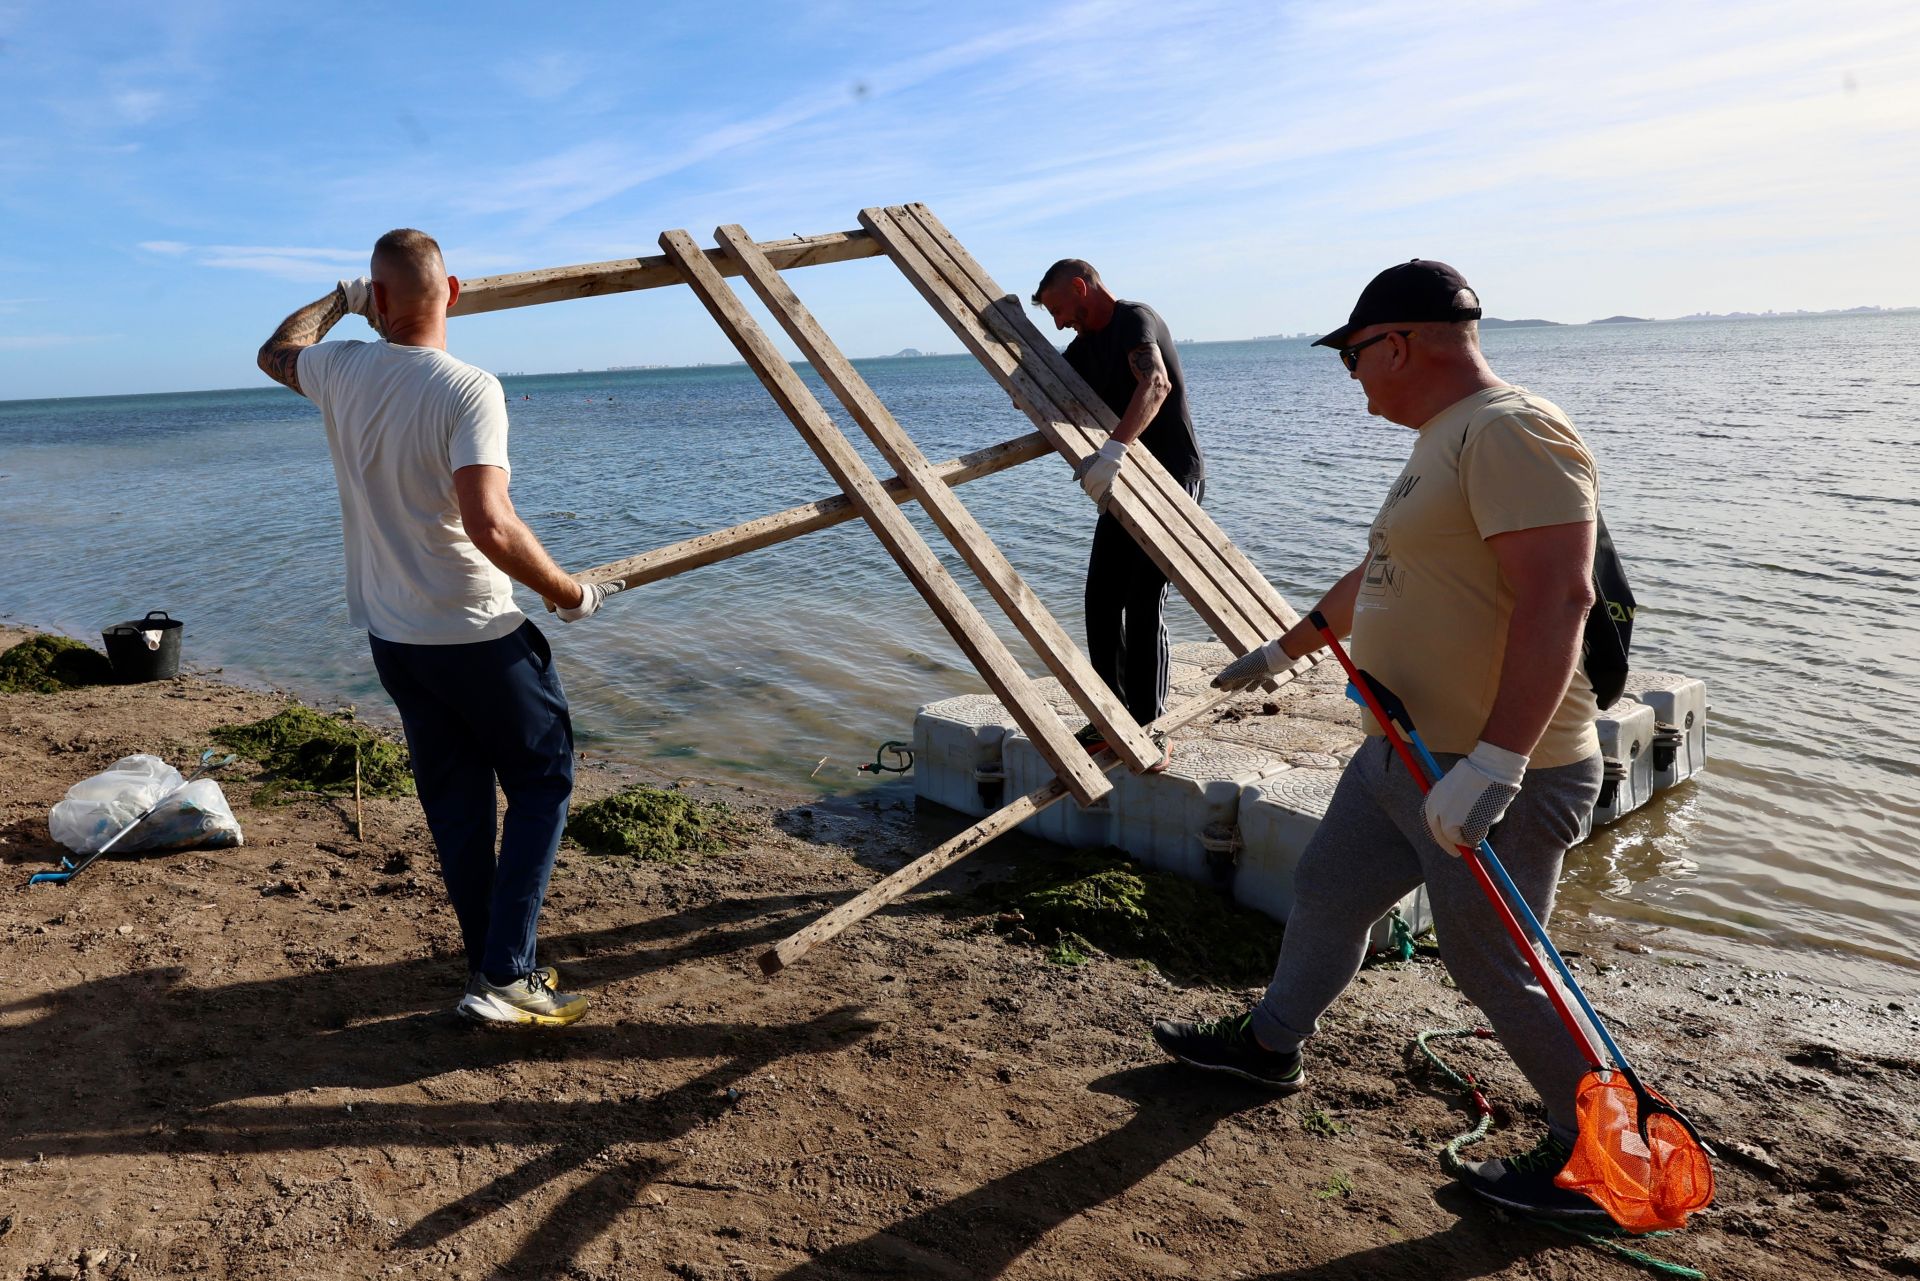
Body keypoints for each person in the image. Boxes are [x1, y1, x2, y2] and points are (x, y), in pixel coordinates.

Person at [1151, 260, 1609, 1221]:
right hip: (1401, 755)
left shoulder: (1512, 429)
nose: (1351, 375)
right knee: (1326, 890)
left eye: (1355, 355)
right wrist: (1287, 648)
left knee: (1496, 962)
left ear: (1398, 342)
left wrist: (1497, 761)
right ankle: (1270, 1045)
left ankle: (1601, 1155)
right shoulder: (1446, 438)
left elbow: (1559, 595)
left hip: (1491, 773)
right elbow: (1387, 566)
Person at [258, 228, 618, 1029]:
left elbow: (276, 348)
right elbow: (491, 525)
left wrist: (342, 299)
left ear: (379, 301)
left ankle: (490, 964)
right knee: (543, 782)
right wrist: (570, 594)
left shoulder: (339, 369)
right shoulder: (469, 387)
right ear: (451, 293)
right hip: (476, 632)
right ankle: (505, 973)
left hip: (396, 640)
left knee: (458, 804)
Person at [1030, 260, 1204, 741]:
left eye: (1061, 309)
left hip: (1172, 476)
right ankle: (1111, 715)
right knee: (1101, 599)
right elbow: (1045, 388)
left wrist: (1113, 452)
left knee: (1145, 601)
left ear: (1081, 287)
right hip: (1125, 481)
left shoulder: (1135, 320)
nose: (1061, 322)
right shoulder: (1084, 348)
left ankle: (1152, 724)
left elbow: (1157, 384)